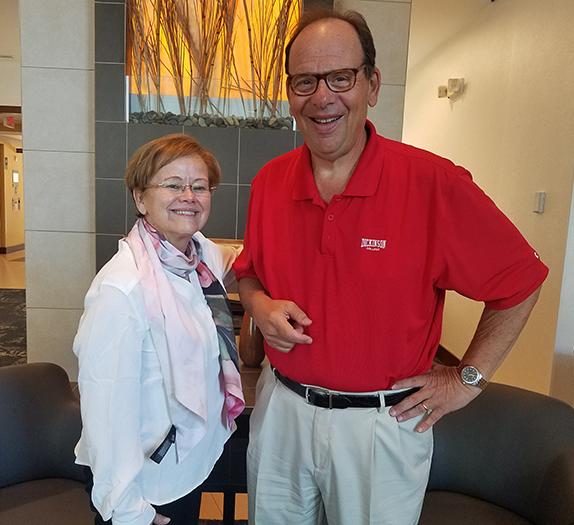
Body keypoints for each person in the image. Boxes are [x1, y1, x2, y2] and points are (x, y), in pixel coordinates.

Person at [233, 7, 548, 525]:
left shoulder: (432, 183)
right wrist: (258, 303)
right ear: (290, 94)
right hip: (281, 408)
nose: (322, 97)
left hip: (380, 427)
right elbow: (249, 270)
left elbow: (522, 281)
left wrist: (469, 378)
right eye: (305, 81)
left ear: (371, 84)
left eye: (341, 77)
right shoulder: (270, 180)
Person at [73, 134, 245, 525]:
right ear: (140, 198)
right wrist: (129, 510)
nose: (189, 196)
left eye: (199, 186)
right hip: (143, 489)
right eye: (172, 185)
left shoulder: (197, 258)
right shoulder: (123, 289)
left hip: (185, 468)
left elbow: (239, 257)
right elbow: (105, 412)